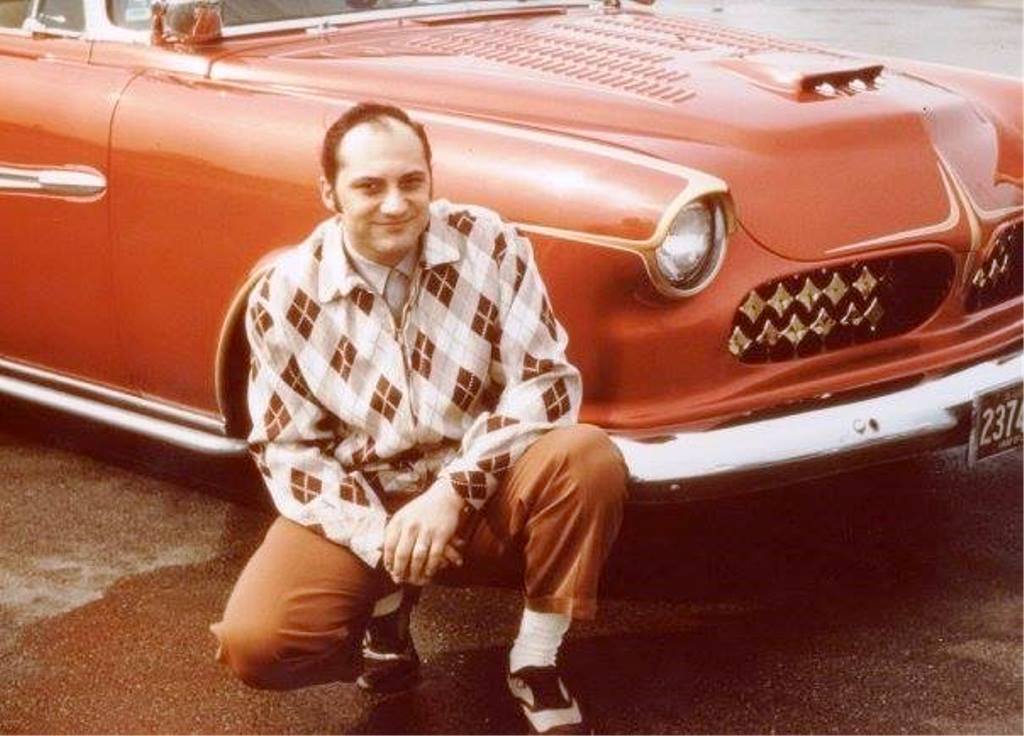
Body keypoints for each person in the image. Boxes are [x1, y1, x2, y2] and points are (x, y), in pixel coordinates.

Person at [210, 101, 628, 734]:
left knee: (586, 456)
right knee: (256, 644)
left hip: (480, 483)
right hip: (365, 495)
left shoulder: (490, 242)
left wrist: (453, 493)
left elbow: (545, 383)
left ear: (432, 178)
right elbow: (287, 450)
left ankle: (536, 661)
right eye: (369, 186)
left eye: (412, 182)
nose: (395, 204)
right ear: (329, 192)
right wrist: (384, 540)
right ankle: (386, 613)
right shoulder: (283, 292)